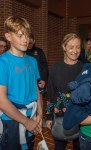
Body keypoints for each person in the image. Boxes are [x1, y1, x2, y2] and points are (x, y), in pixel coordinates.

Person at [0, 16, 43, 150]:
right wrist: (25, 121)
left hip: (31, 115)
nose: (25, 40)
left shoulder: (32, 61)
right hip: (11, 119)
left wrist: (40, 114)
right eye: (20, 36)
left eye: (27, 35)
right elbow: (1, 100)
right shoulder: (3, 62)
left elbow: (36, 88)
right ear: (8, 36)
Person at [46, 33, 84, 150]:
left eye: (78, 47)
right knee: (59, 146)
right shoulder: (56, 68)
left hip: (80, 115)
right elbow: (51, 93)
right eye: (71, 47)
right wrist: (48, 116)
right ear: (64, 47)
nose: (75, 50)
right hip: (60, 115)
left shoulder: (84, 68)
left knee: (79, 146)